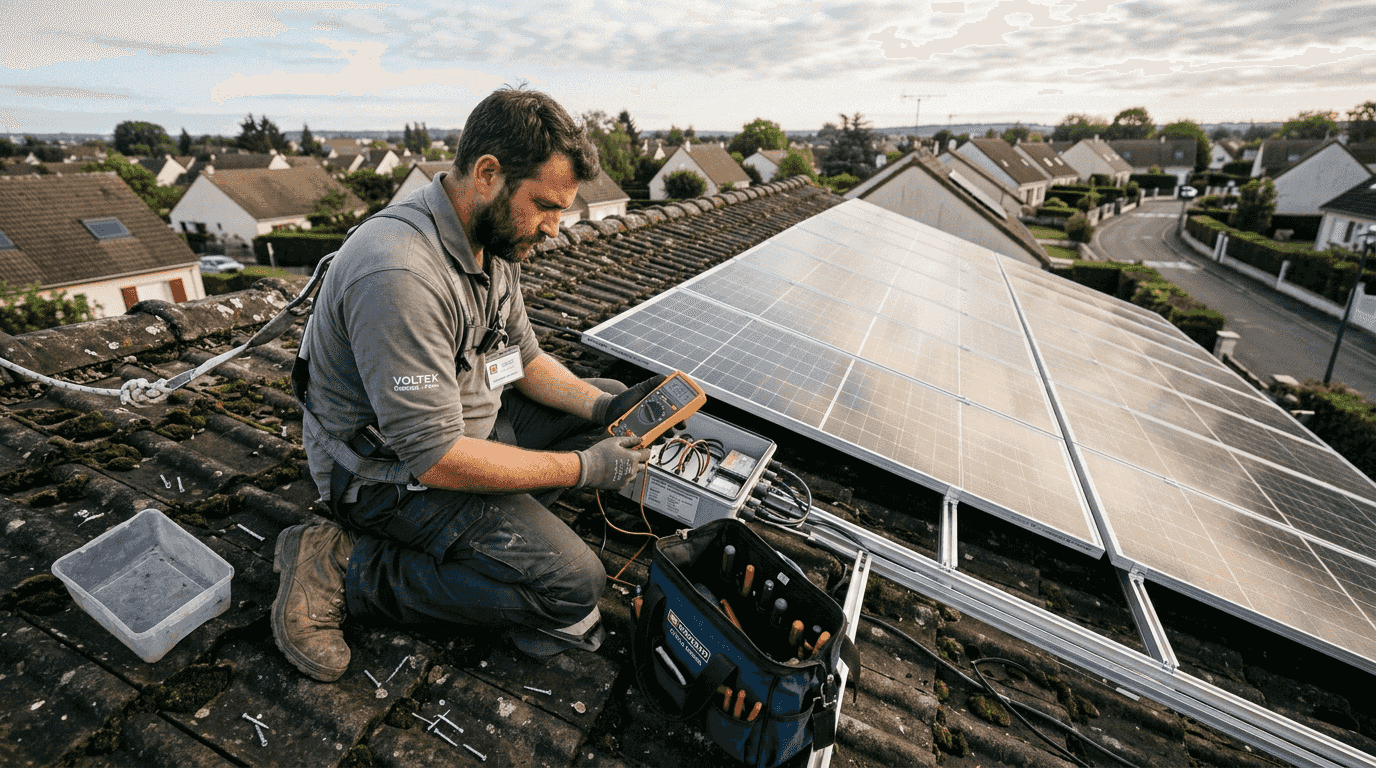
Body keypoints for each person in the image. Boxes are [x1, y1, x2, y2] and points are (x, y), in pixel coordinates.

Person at [272, 86, 664, 682]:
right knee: (571, 585)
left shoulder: (492, 240)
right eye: (546, 205)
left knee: (603, 402)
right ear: (487, 174)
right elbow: (433, 458)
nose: (556, 228)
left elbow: (526, 363)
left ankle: (510, 510)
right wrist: (586, 470)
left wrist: (608, 405)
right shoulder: (400, 273)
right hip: (388, 478)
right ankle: (346, 568)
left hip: (470, 426)